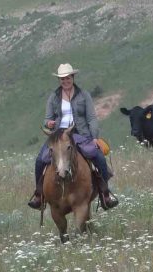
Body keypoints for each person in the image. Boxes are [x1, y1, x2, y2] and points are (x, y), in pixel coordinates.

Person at [28, 64, 118, 210]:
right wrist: (49, 123)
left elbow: (92, 119)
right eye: (62, 79)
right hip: (59, 135)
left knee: (97, 155)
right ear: (59, 80)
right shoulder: (54, 97)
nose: (65, 81)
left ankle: (105, 194)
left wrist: (94, 137)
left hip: (80, 134)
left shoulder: (84, 95)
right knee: (40, 160)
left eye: (68, 78)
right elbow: (47, 119)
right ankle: (39, 195)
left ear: (73, 77)